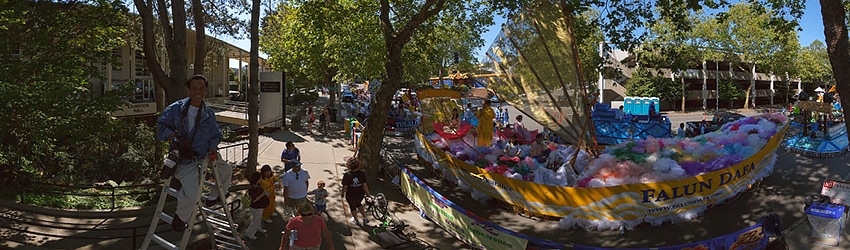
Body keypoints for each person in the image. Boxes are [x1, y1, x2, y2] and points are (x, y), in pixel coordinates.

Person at [156, 74, 223, 232]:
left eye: (201, 88)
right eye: (194, 88)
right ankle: (180, 218)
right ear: (188, 90)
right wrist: (172, 136)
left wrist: (213, 147)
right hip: (183, 160)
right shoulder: (175, 109)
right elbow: (161, 127)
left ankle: (213, 197)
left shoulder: (209, 114)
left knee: (226, 170)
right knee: (192, 193)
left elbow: (217, 135)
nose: (197, 91)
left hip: (204, 155)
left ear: (206, 91)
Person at [342, 158, 371, 226]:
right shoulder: (361, 173)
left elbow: (345, 186)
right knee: (359, 204)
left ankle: (356, 220)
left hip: (350, 194)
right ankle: (365, 218)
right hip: (360, 193)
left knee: (353, 207)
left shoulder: (347, 175)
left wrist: (342, 193)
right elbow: (365, 186)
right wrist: (368, 194)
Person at [243, 172, 270, 240]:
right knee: (256, 221)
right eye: (260, 177)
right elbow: (254, 200)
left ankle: (258, 228)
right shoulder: (253, 188)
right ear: (257, 179)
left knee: (258, 219)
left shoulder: (257, 185)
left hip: (260, 206)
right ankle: (249, 233)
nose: (261, 178)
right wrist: (263, 194)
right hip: (256, 207)